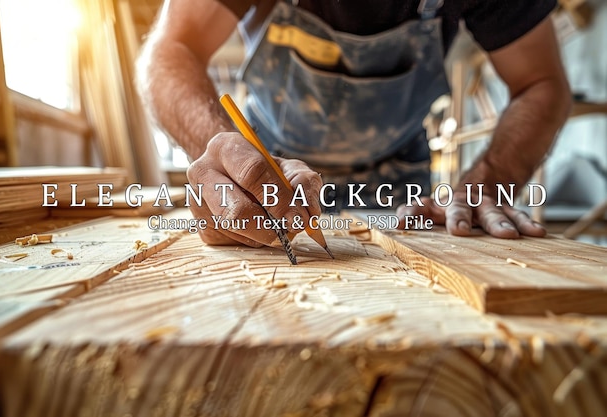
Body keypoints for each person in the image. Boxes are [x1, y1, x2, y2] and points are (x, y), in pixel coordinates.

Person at [137, 0, 571, 248]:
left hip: (400, 188)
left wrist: (486, 183)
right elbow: (172, 48)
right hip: (268, 178)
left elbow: (541, 82)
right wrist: (222, 149)